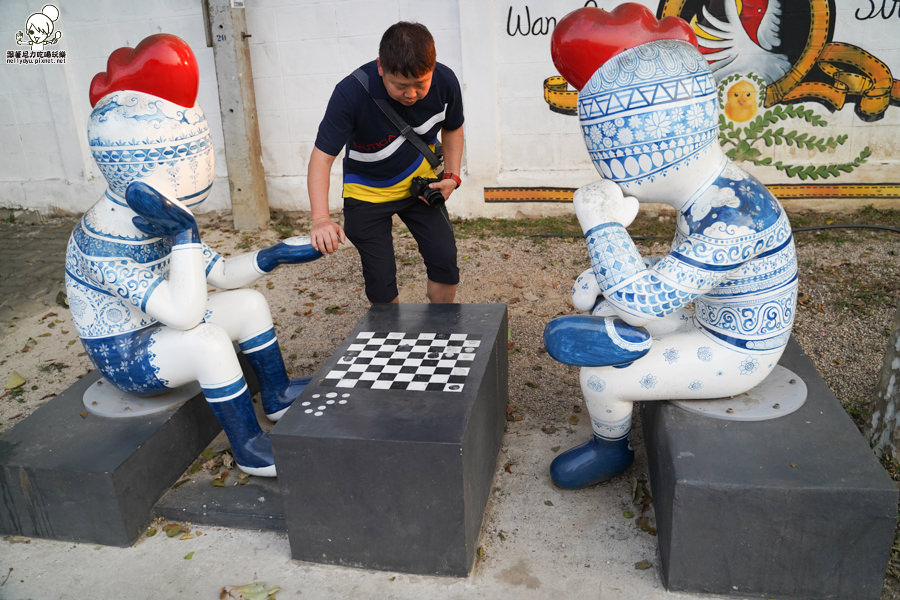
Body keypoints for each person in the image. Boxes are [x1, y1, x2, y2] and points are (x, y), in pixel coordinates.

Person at [308, 21, 464, 304]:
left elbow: (453, 127)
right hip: (366, 193)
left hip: (421, 189)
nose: (411, 94)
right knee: (380, 280)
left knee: (445, 262)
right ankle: (392, 338)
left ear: (433, 67)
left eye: (421, 84)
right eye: (400, 86)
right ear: (381, 67)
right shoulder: (350, 93)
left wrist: (452, 176)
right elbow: (322, 157)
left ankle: (443, 332)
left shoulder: (446, 81)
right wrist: (320, 219)